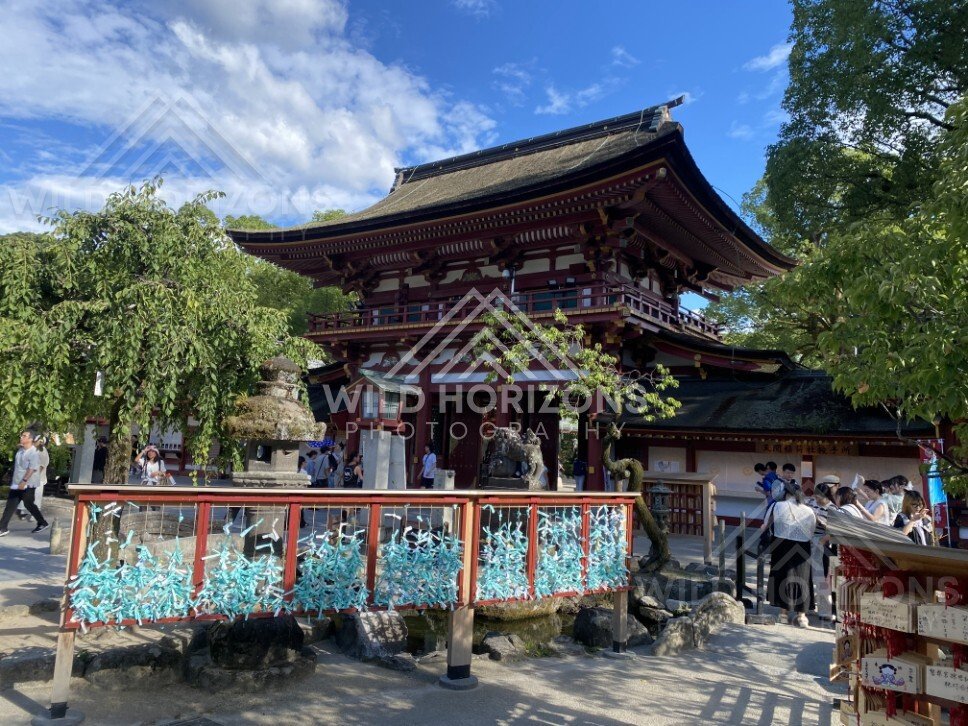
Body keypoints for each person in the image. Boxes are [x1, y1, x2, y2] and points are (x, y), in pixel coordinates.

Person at [765, 479, 817, 627]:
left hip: (781, 544)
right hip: (802, 546)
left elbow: (765, 525)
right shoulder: (809, 510)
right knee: (803, 577)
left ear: (786, 493)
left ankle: (783, 613)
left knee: (783, 575)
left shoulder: (777, 506)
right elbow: (812, 530)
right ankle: (802, 615)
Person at [0, 430, 50, 536]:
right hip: (17, 483)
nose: (21, 437)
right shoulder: (21, 451)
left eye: (24, 436)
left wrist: (24, 481)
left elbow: (32, 468)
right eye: (21, 436)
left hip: (27, 484)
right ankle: (3, 528)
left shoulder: (35, 452)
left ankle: (42, 522)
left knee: (29, 504)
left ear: (31, 439)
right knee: (10, 505)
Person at [19, 435, 49, 521]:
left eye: (41, 441)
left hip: (38, 478)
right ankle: (24, 511)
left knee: (37, 496)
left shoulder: (43, 451)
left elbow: (42, 466)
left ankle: (35, 515)